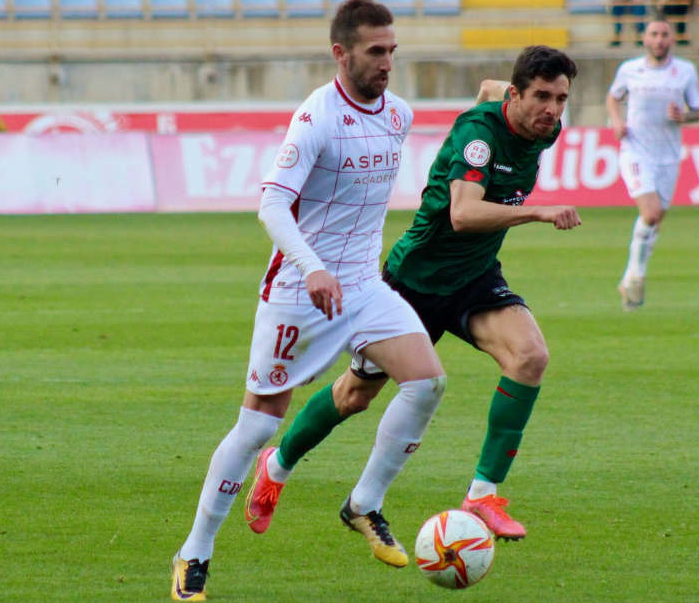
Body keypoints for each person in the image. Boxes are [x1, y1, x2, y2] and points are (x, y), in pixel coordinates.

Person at [242, 46, 582, 543]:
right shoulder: (479, 139)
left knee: (530, 356)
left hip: (474, 278)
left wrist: (498, 93)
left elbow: (490, 89)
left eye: (561, 98)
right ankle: (277, 463)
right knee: (355, 395)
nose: (552, 110)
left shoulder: (540, 126)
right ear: (517, 95)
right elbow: (462, 215)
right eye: (541, 97)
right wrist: (538, 212)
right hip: (414, 282)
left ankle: (482, 495)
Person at [171, 0, 447, 602]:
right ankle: (195, 551)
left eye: (393, 50)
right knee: (254, 427)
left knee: (426, 381)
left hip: (365, 287)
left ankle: (363, 503)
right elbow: (271, 202)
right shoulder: (316, 117)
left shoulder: (397, 114)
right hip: (301, 291)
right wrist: (315, 267)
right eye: (376, 52)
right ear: (341, 54)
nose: (387, 63)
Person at [608, 17, 699, 311]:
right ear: (645, 39)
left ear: (672, 40)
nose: (659, 39)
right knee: (649, 214)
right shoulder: (629, 70)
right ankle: (636, 277)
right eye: (654, 34)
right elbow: (613, 98)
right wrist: (616, 122)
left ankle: (630, 279)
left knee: (656, 221)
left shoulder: (685, 71)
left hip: (669, 155)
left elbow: (697, 110)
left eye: (664, 34)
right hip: (636, 150)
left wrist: (683, 116)